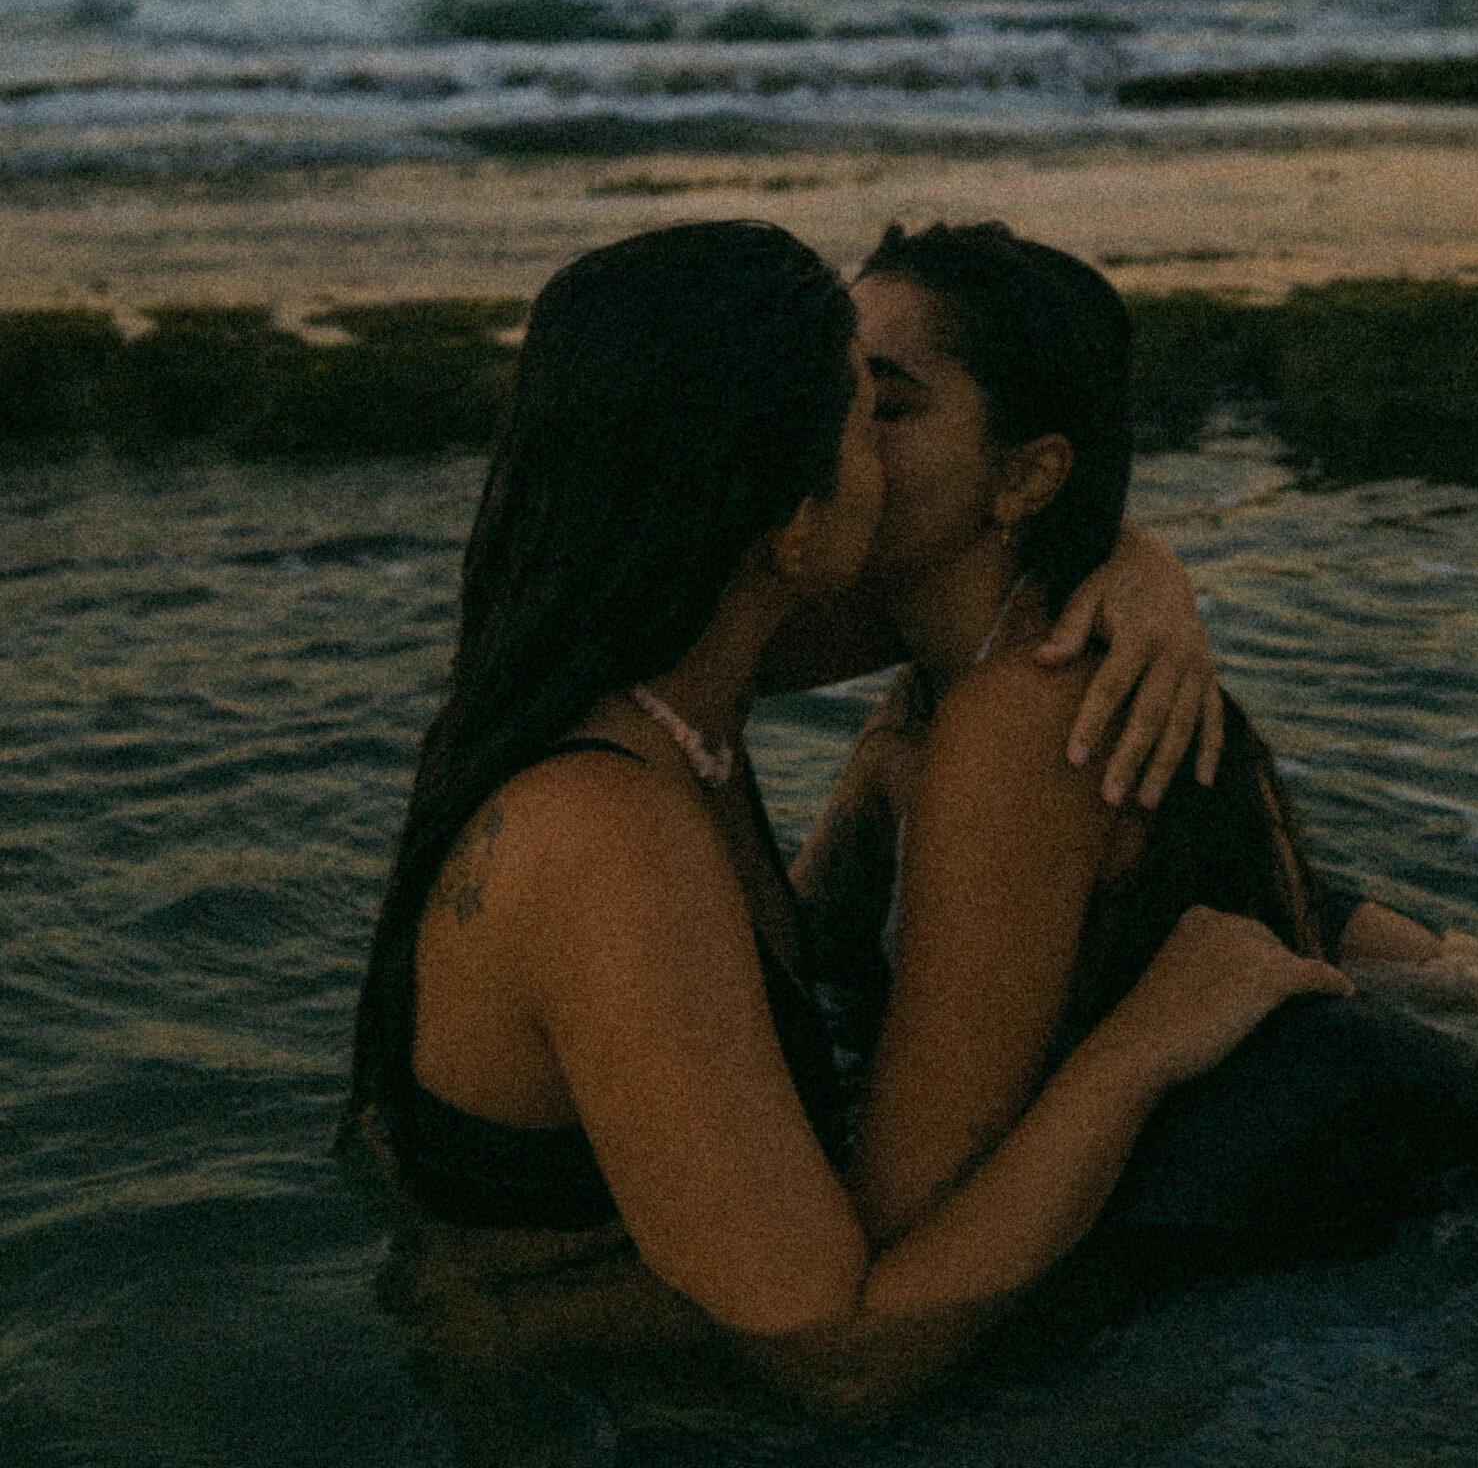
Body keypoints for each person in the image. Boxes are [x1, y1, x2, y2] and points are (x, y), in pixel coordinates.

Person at [343, 221, 1349, 1424]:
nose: (875, 447)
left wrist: (1139, 562)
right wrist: (1145, 1044)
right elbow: (842, 1358)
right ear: (791, 524)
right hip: (614, 1426)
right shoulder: (608, 829)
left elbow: (987, 585)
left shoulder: (659, 666)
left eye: (893, 409)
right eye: (854, 416)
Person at [794, 222, 1478, 1285]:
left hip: (1453, 1193)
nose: (828, 437)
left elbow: (907, 1217)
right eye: (832, 392)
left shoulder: (1023, 722)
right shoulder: (948, 669)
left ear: (1027, 475)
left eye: (887, 409)